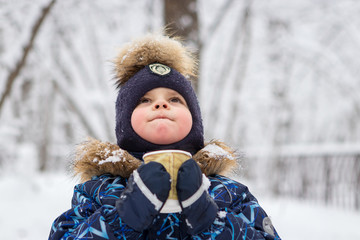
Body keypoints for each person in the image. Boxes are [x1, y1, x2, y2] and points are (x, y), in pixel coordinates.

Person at [49, 34, 281, 239]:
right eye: (145, 100)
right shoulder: (99, 191)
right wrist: (124, 218)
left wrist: (210, 221)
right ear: (124, 121)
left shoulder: (228, 193)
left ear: (195, 119)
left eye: (174, 99)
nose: (161, 104)